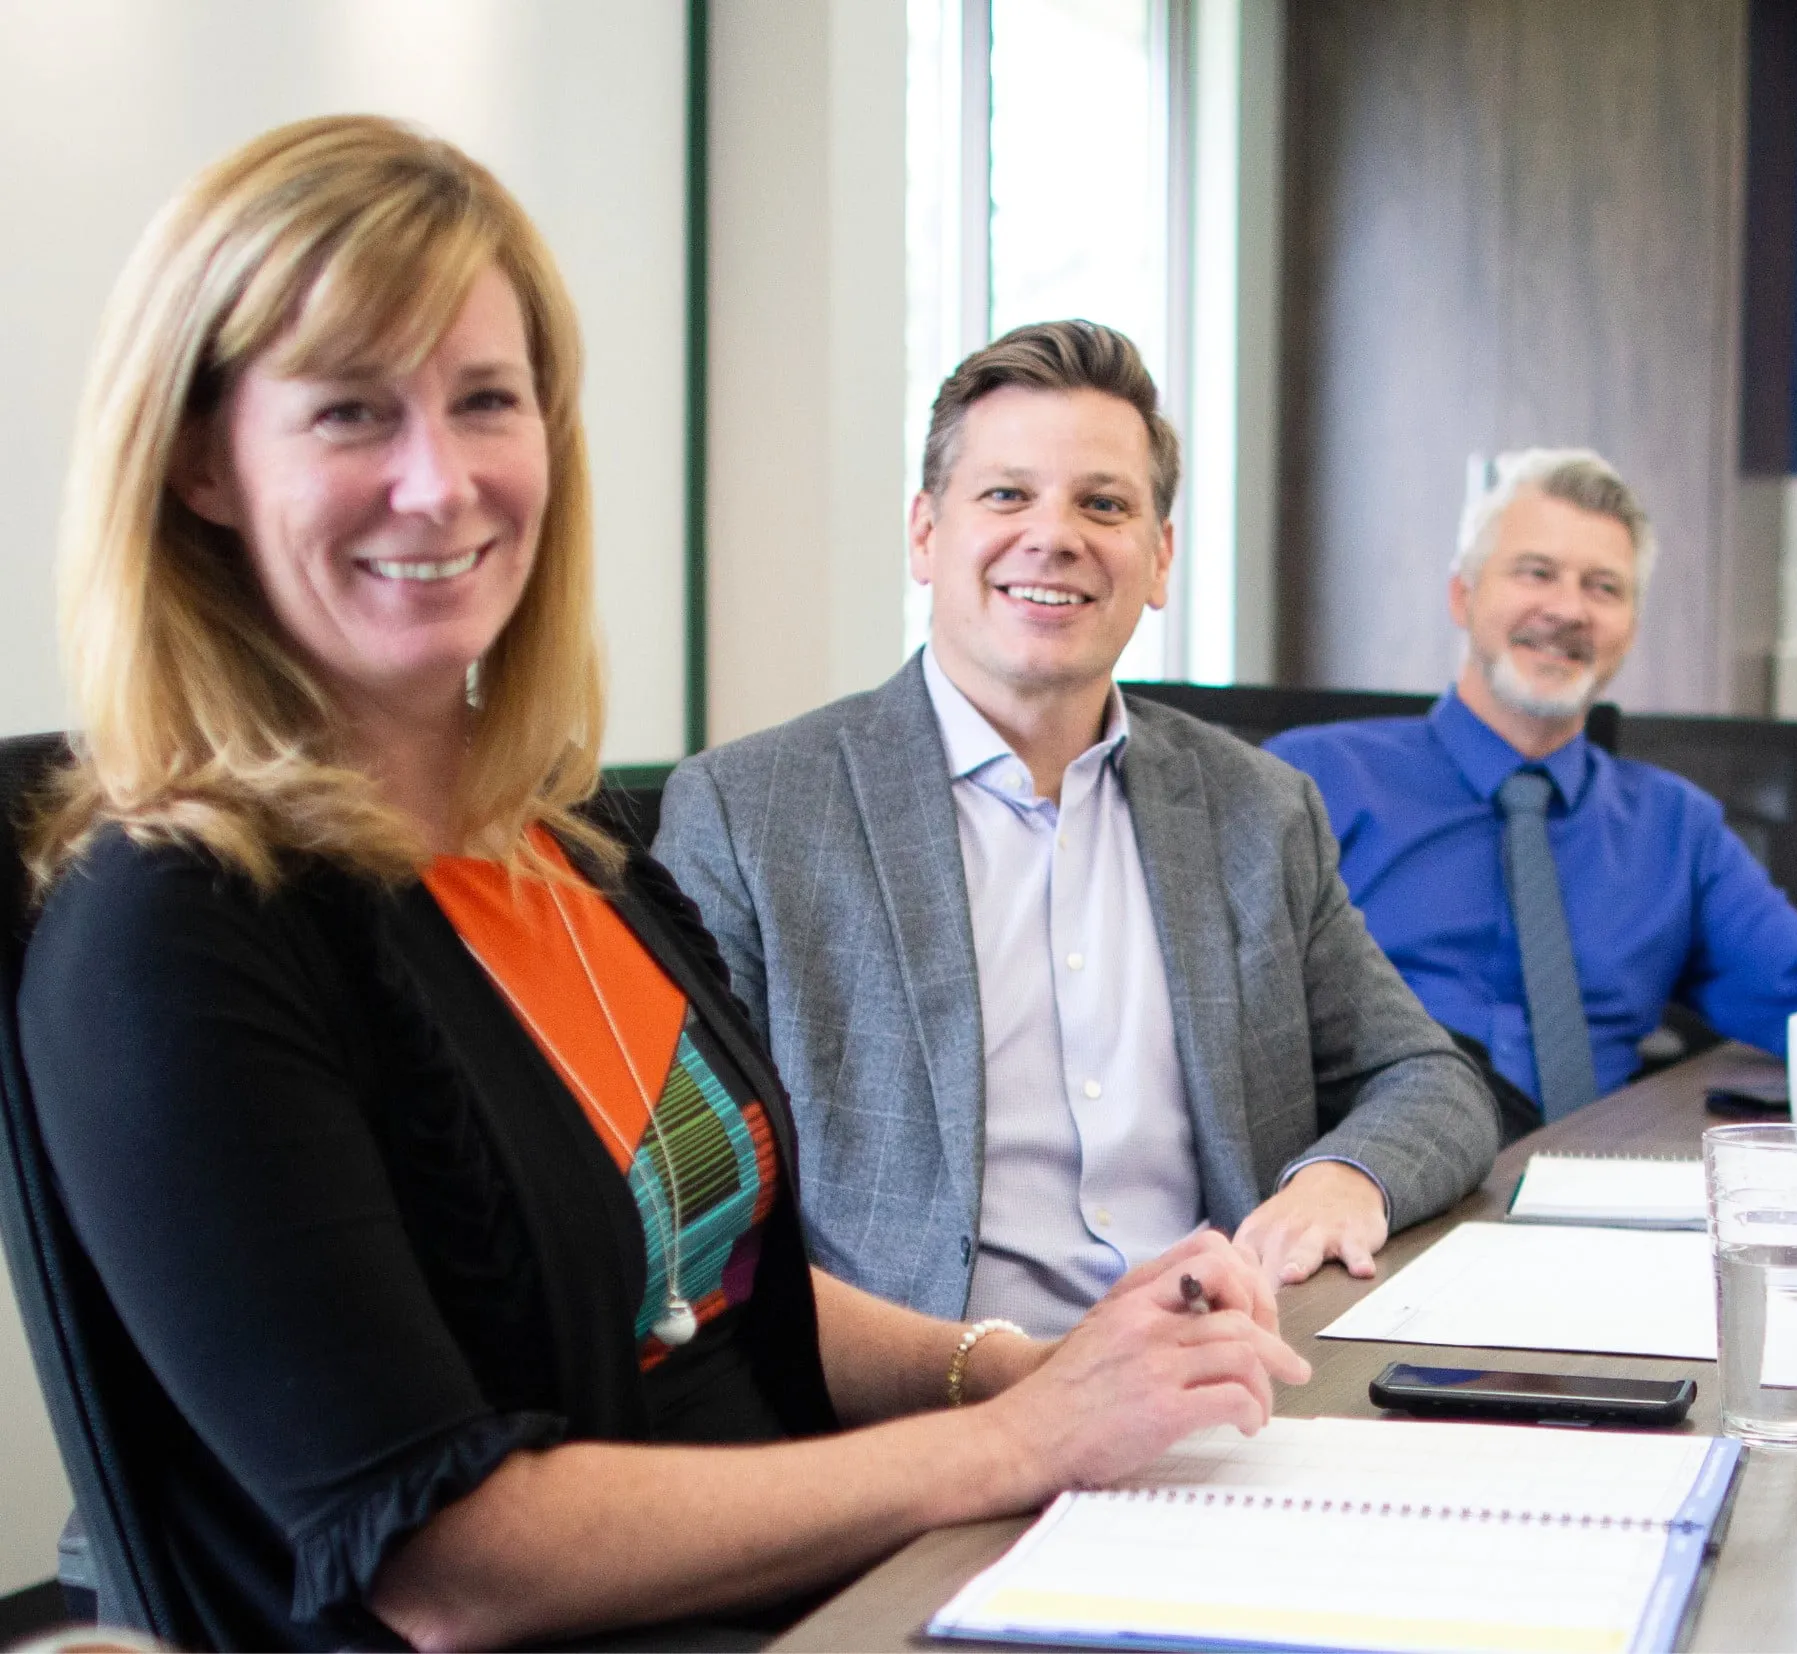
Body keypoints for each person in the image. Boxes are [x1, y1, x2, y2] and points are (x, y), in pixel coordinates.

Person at [17, 118, 1307, 1653]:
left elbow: (711, 1287)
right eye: (352, 411)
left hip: (825, 1593)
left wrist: (1014, 1368)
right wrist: (1012, 1445)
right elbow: (450, 1562)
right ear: (199, 466)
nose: (437, 483)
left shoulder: (568, 848)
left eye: (486, 401)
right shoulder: (171, 924)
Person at [656, 321, 1499, 1339]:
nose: (1054, 535)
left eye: (1104, 503)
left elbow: (1428, 1078)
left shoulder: (1258, 810)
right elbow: (685, 1214)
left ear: (1158, 558)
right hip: (931, 1421)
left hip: (1221, 1384)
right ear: (926, 534)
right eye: (1007, 494)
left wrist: (1340, 1176)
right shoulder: (752, 814)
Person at [1265, 447, 1797, 1126]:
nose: (1566, 610)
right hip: (1379, 1194)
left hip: (1601, 1199)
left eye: (1603, 587)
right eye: (1535, 572)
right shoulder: (1313, 783)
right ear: (1462, 596)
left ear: (1629, 624)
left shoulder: (1674, 827)